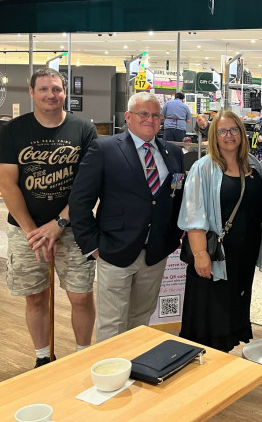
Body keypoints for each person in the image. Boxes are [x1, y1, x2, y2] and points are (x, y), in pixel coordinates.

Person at [0, 68, 97, 368]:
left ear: (65, 92)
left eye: (56, 89)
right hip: (26, 231)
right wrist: (33, 231)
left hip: (74, 228)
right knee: (36, 297)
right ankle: (43, 357)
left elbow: (88, 185)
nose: (50, 95)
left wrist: (60, 223)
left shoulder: (83, 129)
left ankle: (82, 354)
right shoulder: (14, 130)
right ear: (31, 92)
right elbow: (7, 183)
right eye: (43, 89)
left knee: (80, 295)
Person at [70, 92, 185, 342]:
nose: (150, 119)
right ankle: (110, 379)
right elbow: (80, 202)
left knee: (141, 321)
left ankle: (135, 373)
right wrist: (92, 246)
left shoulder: (172, 154)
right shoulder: (104, 149)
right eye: (143, 114)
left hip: (155, 254)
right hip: (113, 250)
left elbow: (176, 199)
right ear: (128, 117)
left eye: (156, 115)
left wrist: (172, 239)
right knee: (112, 324)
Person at [177, 111, 262, 351]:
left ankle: (224, 368)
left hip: (243, 256)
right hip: (215, 256)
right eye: (223, 131)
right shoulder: (203, 168)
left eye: (234, 129)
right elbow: (193, 214)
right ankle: (207, 373)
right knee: (211, 317)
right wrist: (200, 254)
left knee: (232, 312)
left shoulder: (253, 165)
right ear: (214, 136)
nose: (229, 135)